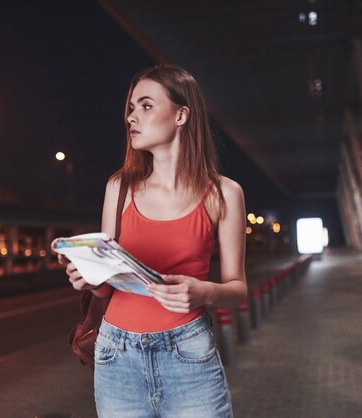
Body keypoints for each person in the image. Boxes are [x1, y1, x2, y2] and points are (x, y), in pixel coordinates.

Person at [64, 65, 247, 417]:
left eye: (146, 106)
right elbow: (106, 288)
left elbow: (237, 290)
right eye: (131, 108)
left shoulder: (224, 193)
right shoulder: (119, 189)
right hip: (116, 355)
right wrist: (90, 278)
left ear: (181, 114)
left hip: (189, 353)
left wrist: (202, 291)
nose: (132, 117)